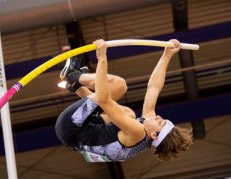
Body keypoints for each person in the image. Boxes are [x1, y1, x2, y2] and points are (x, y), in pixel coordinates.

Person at [55, 39, 193, 163]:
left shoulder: (137, 132)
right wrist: (167, 54)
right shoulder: (145, 132)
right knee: (129, 114)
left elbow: (104, 99)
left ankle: (72, 74)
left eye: (160, 122)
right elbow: (153, 88)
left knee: (118, 85)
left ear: (154, 135)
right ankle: (77, 87)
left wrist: (102, 57)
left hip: (71, 128)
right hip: (81, 134)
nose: (158, 117)